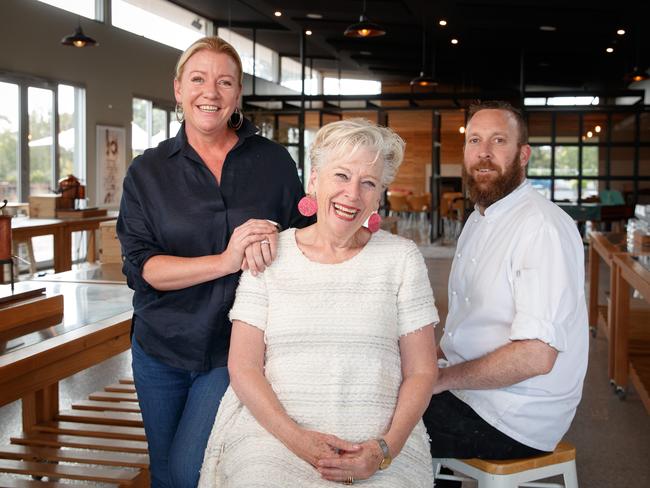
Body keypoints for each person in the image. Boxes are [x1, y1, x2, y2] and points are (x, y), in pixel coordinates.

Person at [198, 119, 439, 487]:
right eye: (341, 176)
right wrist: (301, 442)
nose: (352, 194)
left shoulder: (402, 258)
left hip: (376, 439)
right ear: (314, 181)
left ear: (379, 196)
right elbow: (244, 366)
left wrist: (384, 449)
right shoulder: (271, 253)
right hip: (276, 434)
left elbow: (421, 371)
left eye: (368, 183)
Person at [116, 36, 311, 488]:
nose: (211, 92)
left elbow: (308, 236)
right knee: (164, 472)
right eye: (198, 79)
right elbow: (143, 269)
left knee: (192, 471)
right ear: (179, 89)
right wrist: (226, 260)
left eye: (225, 82)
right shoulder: (147, 172)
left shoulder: (273, 162)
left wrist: (359, 213)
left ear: (238, 93)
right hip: (160, 347)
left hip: (235, 350)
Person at [423, 101, 589, 464]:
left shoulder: (540, 228)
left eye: (498, 141)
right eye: (474, 141)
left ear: (523, 154)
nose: (483, 153)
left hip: (516, 415)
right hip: (474, 391)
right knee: (380, 398)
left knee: (381, 425)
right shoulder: (479, 218)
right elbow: (465, 328)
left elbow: (535, 355)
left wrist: (441, 379)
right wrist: (424, 366)